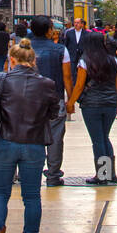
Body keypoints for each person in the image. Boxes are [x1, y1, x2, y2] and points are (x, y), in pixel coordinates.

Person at [0, 38, 60, 233]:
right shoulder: (47, 84)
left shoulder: (0, 80)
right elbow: (54, 112)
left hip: (4, 140)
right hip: (33, 144)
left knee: (0, 193)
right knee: (32, 196)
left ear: (11, 60)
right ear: (33, 60)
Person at [67, 29, 117, 183]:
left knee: (98, 140)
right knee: (105, 137)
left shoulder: (84, 61)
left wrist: (71, 103)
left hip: (91, 104)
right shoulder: (114, 60)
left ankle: (102, 175)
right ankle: (110, 173)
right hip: (110, 103)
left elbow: (79, 86)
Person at [28, 15, 72, 187]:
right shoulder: (61, 50)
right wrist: (70, 100)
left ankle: (29, 173)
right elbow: (67, 76)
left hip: (27, 101)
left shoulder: (22, 50)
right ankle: (53, 176)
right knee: (55, 138)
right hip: (54, 99)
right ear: (48, 30)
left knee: (29, 136)